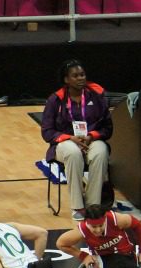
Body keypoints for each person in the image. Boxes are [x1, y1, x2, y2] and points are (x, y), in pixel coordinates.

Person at [41, 59, 112, 221]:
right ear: (66, 80)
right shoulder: (55, 100)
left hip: (91, 141)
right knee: (73, 153)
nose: (81, 78)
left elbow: (107, 128)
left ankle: (93, 205)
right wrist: (70, 138)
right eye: (75, 76)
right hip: (64, 144)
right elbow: (47, 132)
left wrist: (91, 136)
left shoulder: (96, 96)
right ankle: (78, 206)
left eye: (82, 74)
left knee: (101, 152)